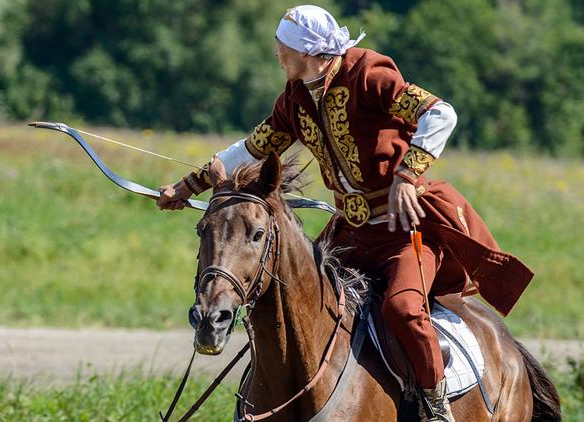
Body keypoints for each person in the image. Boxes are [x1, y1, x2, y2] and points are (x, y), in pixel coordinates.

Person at [157, 5, 533, 421]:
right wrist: (186, 185)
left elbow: (440, 113)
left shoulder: (368, 73)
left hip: (404, 230)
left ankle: (435, 405)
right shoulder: (295, 98)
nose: (277, 55)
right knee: (293, 298)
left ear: (308, 51)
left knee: (403, 311)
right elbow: (251, 149)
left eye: (282, 48)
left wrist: (408, 174)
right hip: (350, 233)